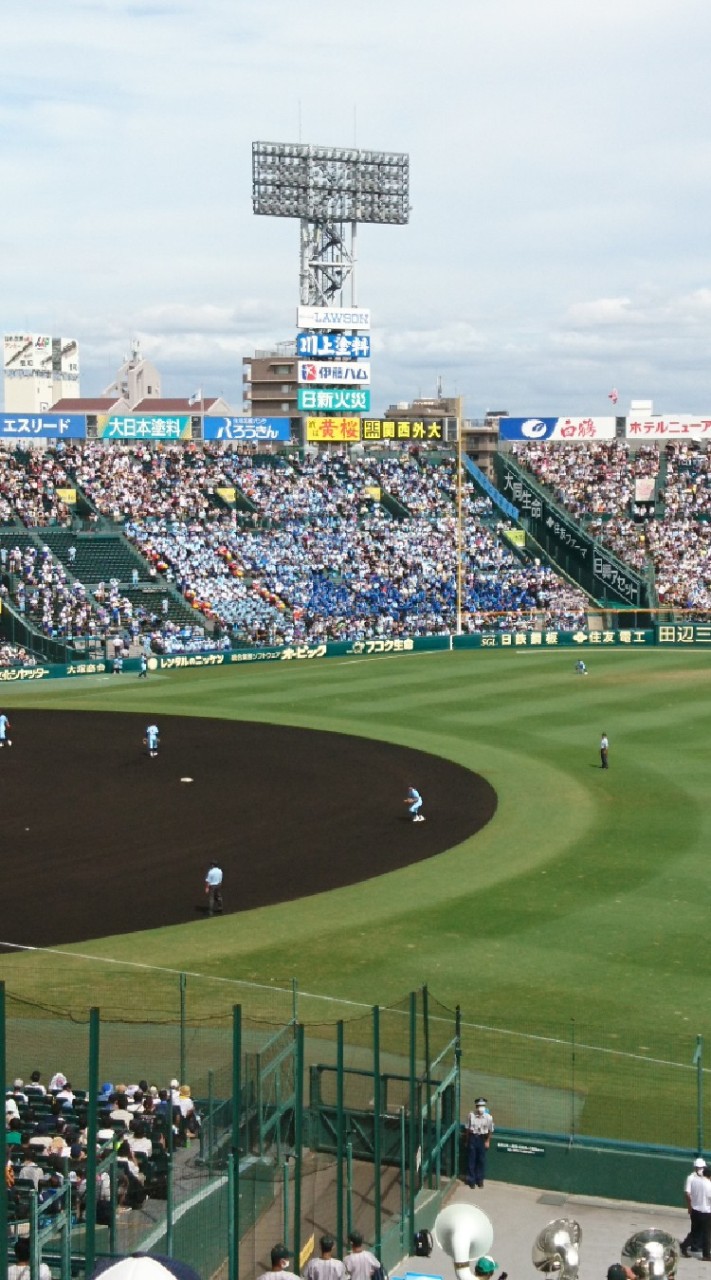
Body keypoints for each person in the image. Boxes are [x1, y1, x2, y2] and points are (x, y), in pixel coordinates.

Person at [681, 1157, 711, 1258]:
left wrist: (690, 1207)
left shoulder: (694, 1181)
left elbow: (689, 1194)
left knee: (694, 1231)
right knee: (707, 1233)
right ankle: (706, 1255)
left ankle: (684, 1245)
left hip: (695, 1210)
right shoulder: (708, 1184)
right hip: (705, 1211)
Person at [465, 1096, 494, 1188]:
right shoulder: (471, 1115)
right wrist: (467, 1140)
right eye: (479, 1106)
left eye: (482, 1106)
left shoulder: (488, 1117)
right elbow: (468, 1129)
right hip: (473, 1138)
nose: (480, 1108)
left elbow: (490, 1130)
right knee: (471, 1160)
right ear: (476, 1106)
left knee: (481, 1160)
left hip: (482, 1138)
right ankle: (471, 1181)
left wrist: (487, 1141)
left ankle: (480, 1180)